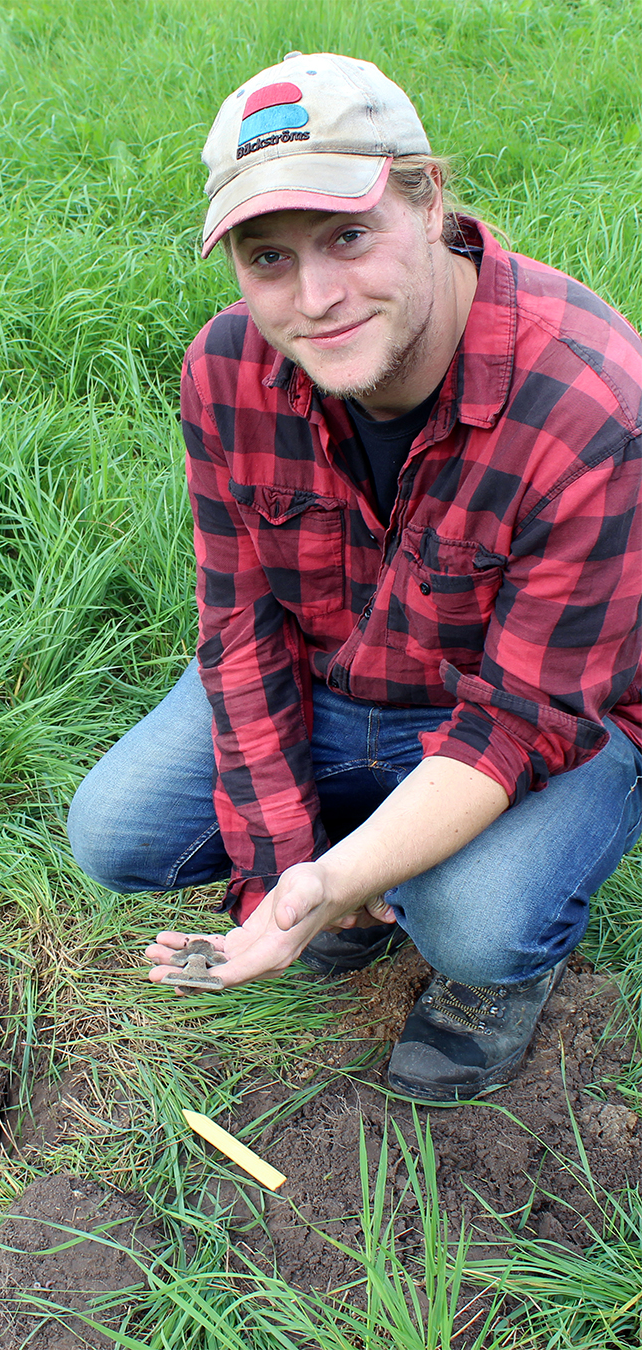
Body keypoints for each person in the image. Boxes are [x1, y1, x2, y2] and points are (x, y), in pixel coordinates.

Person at [67, 52, 642, 1102]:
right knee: (113, 831)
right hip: (343, 684)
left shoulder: (589, 400)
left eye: (347, 235)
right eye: (267, 256)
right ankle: (370, 863)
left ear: (427, 200)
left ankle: (494, 970)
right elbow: (241, 628)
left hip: (539, 721)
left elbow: (521, 719)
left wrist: (335, 880)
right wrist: (283, 871)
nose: (316, 298)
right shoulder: (228, 369)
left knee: (478, 921)